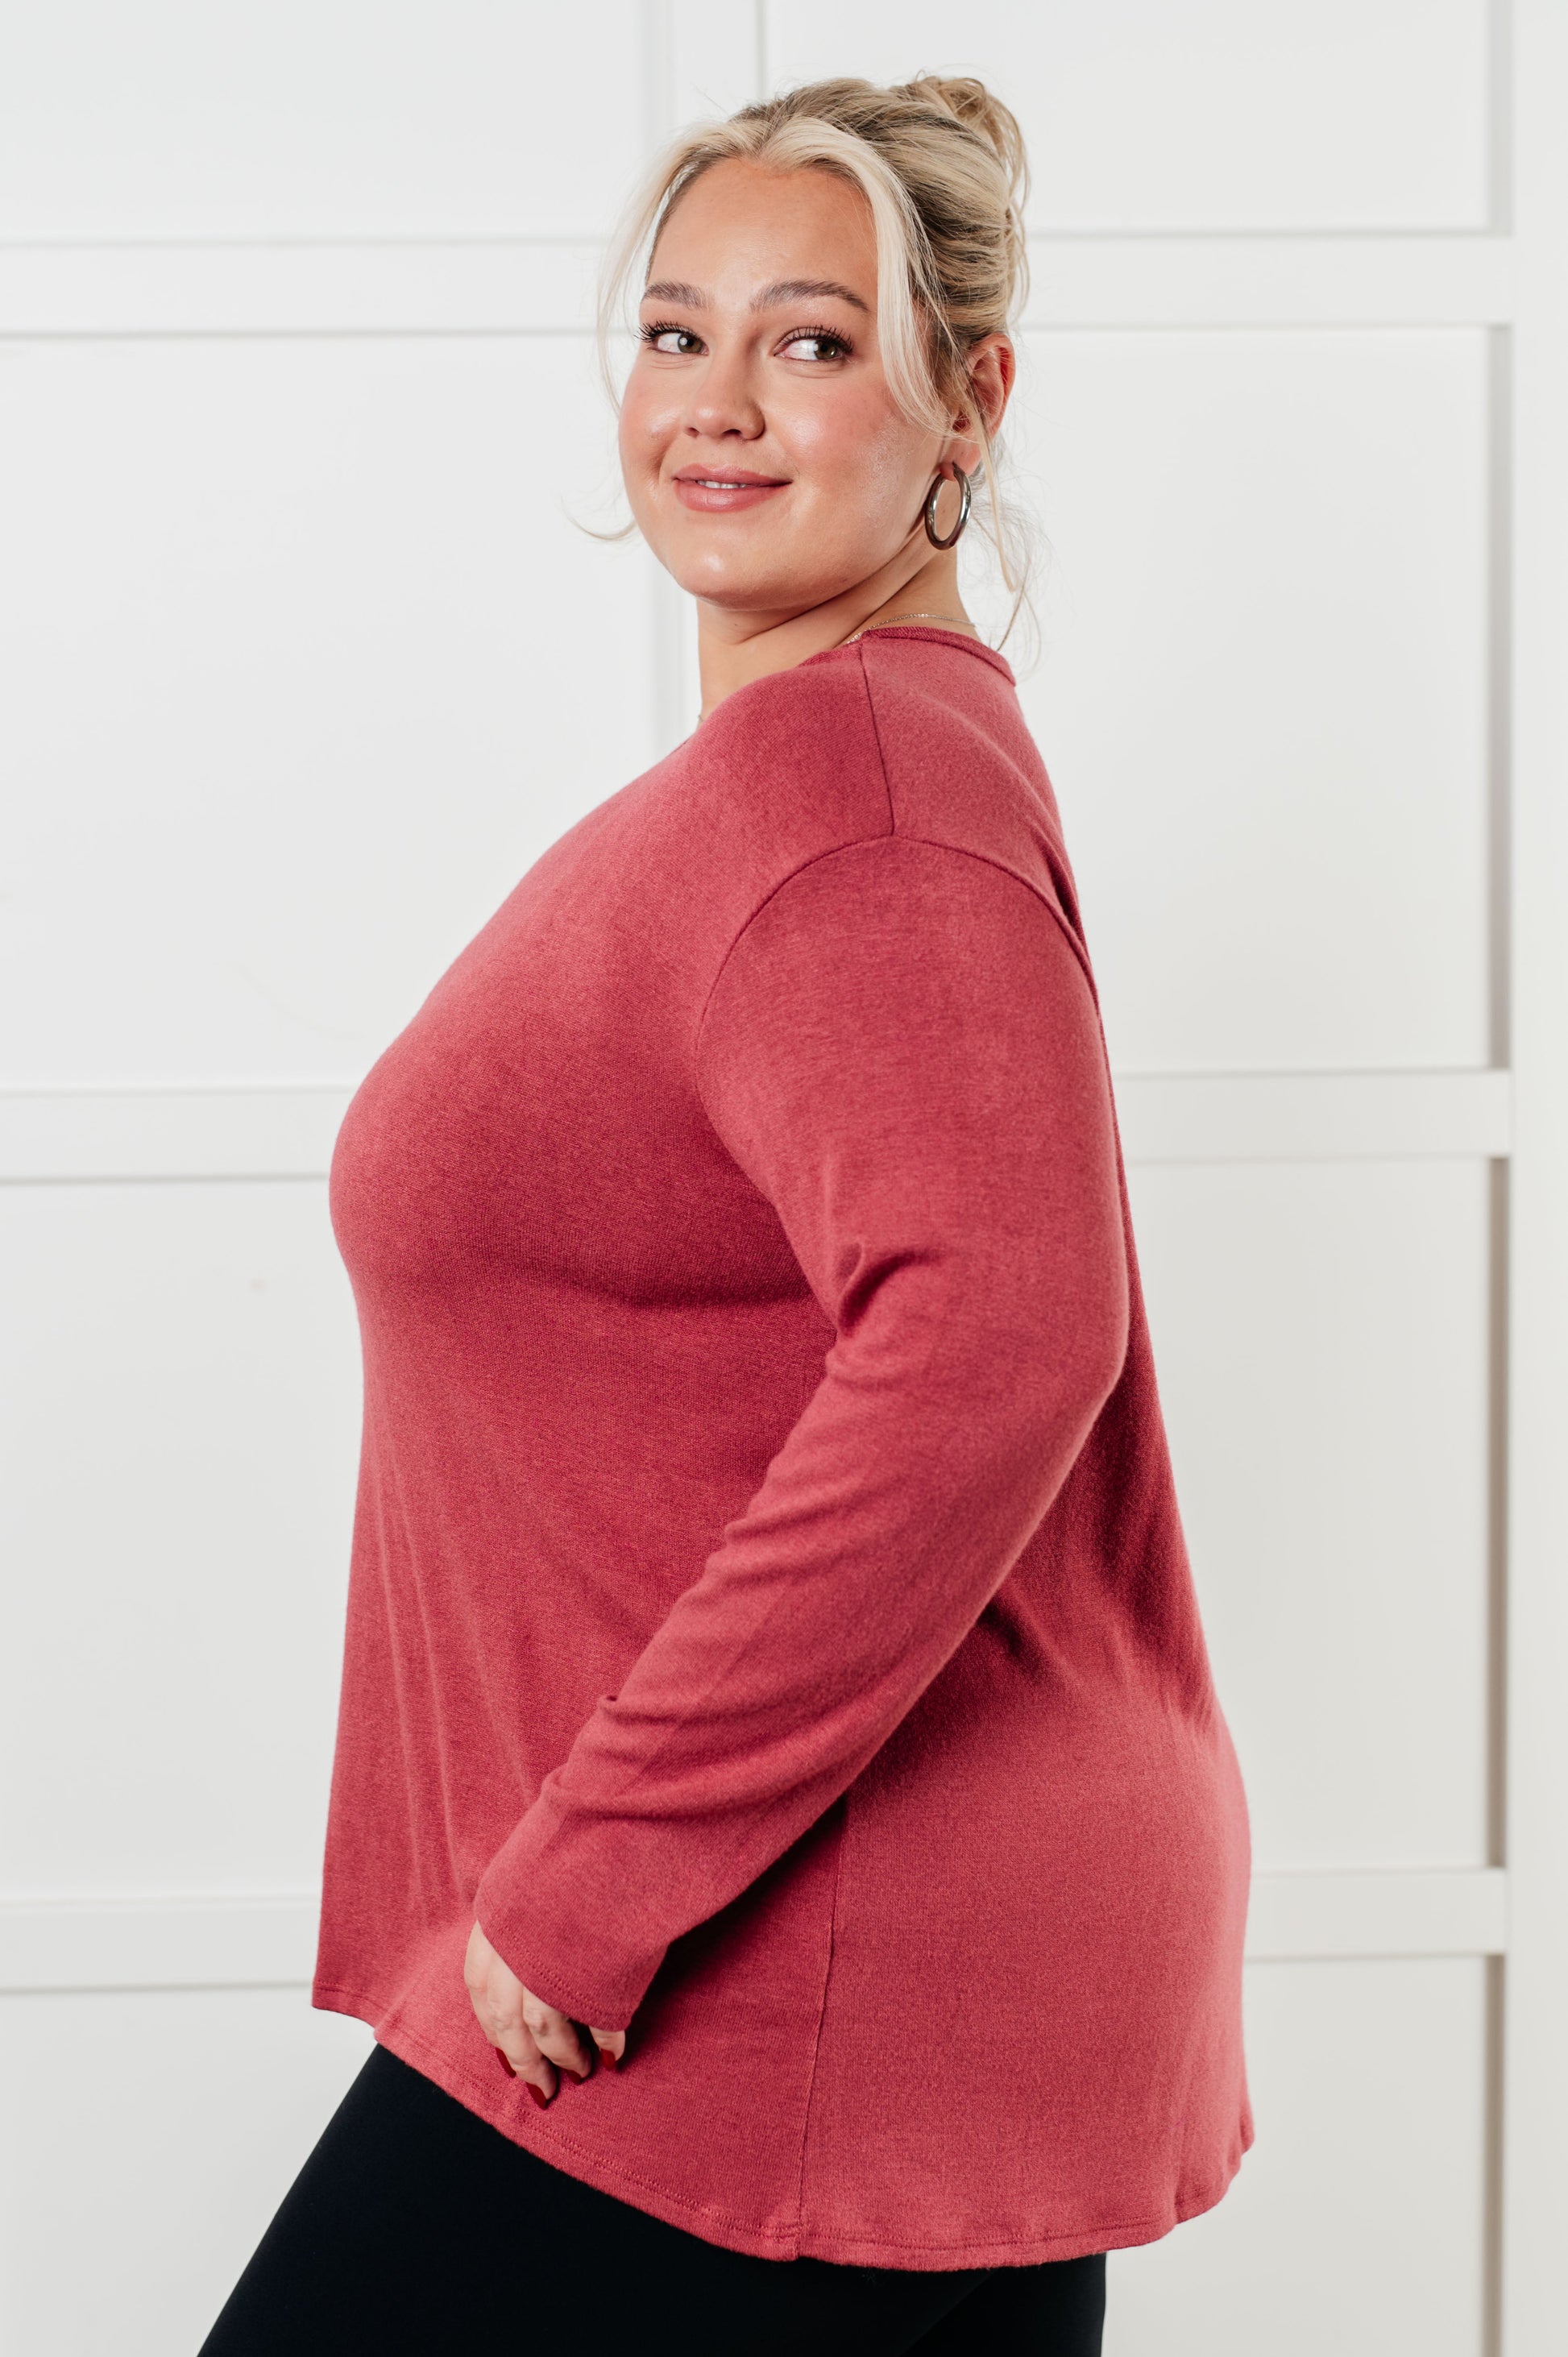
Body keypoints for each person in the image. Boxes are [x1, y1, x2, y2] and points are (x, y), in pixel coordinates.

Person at [200, 73, 1252, 2357]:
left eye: (808, 340)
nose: (716, 407)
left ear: (970, 395)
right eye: (673, 336)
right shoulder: (839, 764)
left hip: (782, 1961)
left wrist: (587, 1885)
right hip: (818, 1952)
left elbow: (994, 1328)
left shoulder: (852, 792)